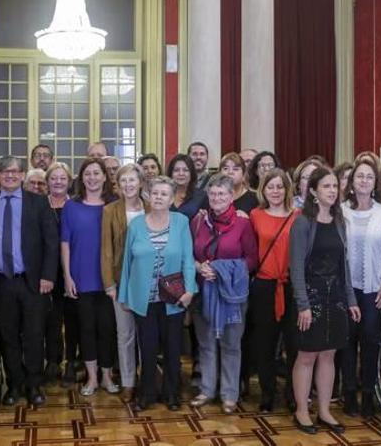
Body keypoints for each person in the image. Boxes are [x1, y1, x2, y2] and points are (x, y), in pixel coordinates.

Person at [0, 156, 58, 407]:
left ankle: (34, 384)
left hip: (32, 281)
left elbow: (51, 243)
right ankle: (15, 384)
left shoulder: (38, 203)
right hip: (1, 282)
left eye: (14, 172)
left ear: (22, 175)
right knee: (8, 336)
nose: (9, 176)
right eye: (4, 172)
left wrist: (48, 276)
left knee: (34, 334)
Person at [290, 167, 360, 435]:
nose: (333, 190)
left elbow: (345, 265)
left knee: (329, 354)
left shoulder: (340, 220)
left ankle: (324, 410)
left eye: (335, 186)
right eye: (327, 186)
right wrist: (303, 304)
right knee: (307, 355)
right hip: (311, 295)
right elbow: (295, 267)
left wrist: (351, 299)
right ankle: (301, 410)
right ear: (313, 192)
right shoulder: (302, 222)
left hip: (337, 297)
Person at [118, 176, 196, 411]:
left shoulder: (181, 222)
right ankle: (147, 393)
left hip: (174, 299)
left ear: (172, 199)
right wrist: (125, 296)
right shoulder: (137, 225)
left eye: (164, 194)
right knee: (148, 348)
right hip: (144, 298)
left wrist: (190, 290)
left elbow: (188, 260)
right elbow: (127, 264)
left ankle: (172, 394)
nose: (159, 197)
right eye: (155, 193)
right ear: (148, 196)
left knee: (173, 349)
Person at [189, 173, 258, 414]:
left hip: (232, 295)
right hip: (202, 291)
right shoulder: (198, 221)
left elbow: (251, 260)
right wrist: (201, 268)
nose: (217, 197)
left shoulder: (243, 223)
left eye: (222, 193)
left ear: (231, 197)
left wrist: (221, 270)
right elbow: (191, 255)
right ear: (207, 195)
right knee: (206, 343)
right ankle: (207, 389)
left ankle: (230, 394)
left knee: (231, 344)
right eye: (213, 193)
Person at [340, 159, 381, 417]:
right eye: (359, 176)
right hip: (346, 288)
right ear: (351, 183)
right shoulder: (340, 212)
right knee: (347, 341)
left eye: (369, 177)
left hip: (374, 288)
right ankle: (350, 391)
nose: (364, 180)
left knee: (371, 341)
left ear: (375, 183)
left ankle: (370, 393)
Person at [61, 158, 118, 395]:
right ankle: (92, 378)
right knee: (86, 329)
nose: (92, 178)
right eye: (88, 174)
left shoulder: (114, 205)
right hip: (80, 277)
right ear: (81, 178)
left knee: (107, 328)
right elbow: (65, 243)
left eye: (97, 173)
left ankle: (107, 376)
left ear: (105, 177)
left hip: (108, 279)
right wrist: (67, 276)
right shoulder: (71, 206)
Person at [248, 169, 298, 412]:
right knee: (265, 343)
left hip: (291, 286)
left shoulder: (298, 216)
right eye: (271, 187)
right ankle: (267, 393)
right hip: (264, 286)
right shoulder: (255, 216)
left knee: (293, 344)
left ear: (287, 189)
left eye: (280, 186)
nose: (275, 191)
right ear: (263, 189)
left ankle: (292, 393)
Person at [101, 164, 148, 401]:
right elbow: (106, 250)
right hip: (121, 282)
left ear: (141, 182)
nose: (128, 185)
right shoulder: (110, 210)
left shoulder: (152, 207)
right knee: (125, 334)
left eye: (132, 180)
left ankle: (147, 378)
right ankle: (128, 381)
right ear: (118, 185)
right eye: (124, 181)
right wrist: (109, 284)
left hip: (149, 282)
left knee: (147, 334)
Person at [45, 163, 81, 385]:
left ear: (69, 181)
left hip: (72, 269)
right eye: (53, 178)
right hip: (48, 272)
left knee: (73, 318)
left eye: (62, 178)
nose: (58, 182)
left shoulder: (76, 206)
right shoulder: (39, 205)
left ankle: (71, 362)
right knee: (51, 319)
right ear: (47, 181)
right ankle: (52, 360)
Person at [168, 154, 205, 219]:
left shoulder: (202, 196)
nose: (181, 173)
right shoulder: (163, 194)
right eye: (176, 170)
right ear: (171, 173)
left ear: (191, 173)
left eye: (185, 170)